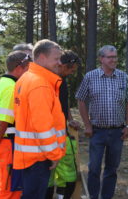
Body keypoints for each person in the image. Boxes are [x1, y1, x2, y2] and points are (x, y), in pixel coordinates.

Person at [76, 45, 128, 199]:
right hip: (97, 131)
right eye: (110, 57)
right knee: (94, 168)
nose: (113, 60)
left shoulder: (124, 77)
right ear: (101, 59)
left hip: (117, 131)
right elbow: (80, 99)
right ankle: (93, 196)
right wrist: (87, 125)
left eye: (115, 57)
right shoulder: (90, 77)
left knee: (112, 168)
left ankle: (107, 196)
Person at [13, 39, 66, 199]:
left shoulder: (26, 78)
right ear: (42, 57)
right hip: (39, 156)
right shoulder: (40, 84)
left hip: (31, 155)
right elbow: (42, 126)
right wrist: (54, 154)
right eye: (56, 59)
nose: (59, 63)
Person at [0, 51, 31, 199]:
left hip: (3, 144)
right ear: (19, 68)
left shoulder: (0, 84)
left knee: (4, 186)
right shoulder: (11, 88)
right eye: (28, 68)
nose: (29, 72)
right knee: (8, 189)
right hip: (8, 145)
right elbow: (2, 121)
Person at [46, 50, 81, 199]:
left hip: (63, 134)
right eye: (71, 70)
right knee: (48, 177)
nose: (72, 73)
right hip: (48, 136)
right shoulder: (47, 81)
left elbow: (63, 103)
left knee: (68, 177)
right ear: (65, 65)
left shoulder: (62, 81)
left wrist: (70, 119)